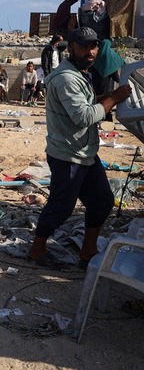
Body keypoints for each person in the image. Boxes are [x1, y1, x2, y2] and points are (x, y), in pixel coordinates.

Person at [26, 27, 131, 269]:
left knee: (102, 201)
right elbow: (83, 117)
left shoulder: (80, 74)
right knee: (61, 207)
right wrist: (113, 99)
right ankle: (37, 250)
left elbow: (86, 103)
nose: (90, 51)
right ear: (70, 47)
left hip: (85, 153)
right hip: (67, 155)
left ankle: (88, 252)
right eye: (83, 46)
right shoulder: (65, 78)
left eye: (93, 46)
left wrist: (109, 95)